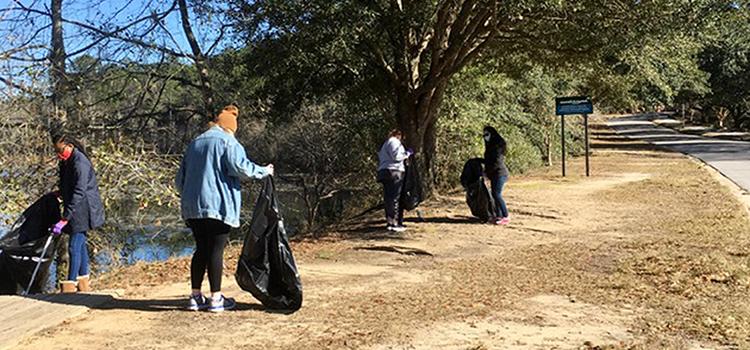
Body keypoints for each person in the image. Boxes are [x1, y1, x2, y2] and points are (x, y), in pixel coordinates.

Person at [175, 104, 274, 312]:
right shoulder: (228, 141)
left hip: (193, 207)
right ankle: (216, 299)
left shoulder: (195, 143)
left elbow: (179, 180)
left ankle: (195, 297)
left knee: (201, 248)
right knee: (216, 249)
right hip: (218, 205)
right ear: (230, 126)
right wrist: (264, 171)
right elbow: (241, 168)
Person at [50, 130, 105, 293]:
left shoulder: (80, 162)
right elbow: (69, 185)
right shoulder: (67, 161)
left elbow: (80, 191)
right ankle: (83, 282)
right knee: (80, 245)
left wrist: (65, 218)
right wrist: (60, 193)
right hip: (75, 207)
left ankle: (70, 284)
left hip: (84, 209)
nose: (59, 155)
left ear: (70, 146)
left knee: (74, 246)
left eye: (61, 151)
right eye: (57, 152)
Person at [377, 129, 413, 232]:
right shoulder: (394, 141)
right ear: (399, 135)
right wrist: (407, 153)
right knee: (395, 197)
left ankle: (390, 222)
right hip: (394, 171)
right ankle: (395, 223)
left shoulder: (385, 144)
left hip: (384, 171)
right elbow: (397, 156)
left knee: (388, 198)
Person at [483, 126, 510, 225]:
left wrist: (489, 170)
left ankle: (506, 216)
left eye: (487, 134)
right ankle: (498, 216)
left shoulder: (498, 146)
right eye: (484, 135)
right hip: (493, 174)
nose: (485, 137)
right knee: (494, 195)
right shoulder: (489, 146)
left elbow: (496, 161)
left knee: (497, 194)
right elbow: (488, 160)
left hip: (500, 174)